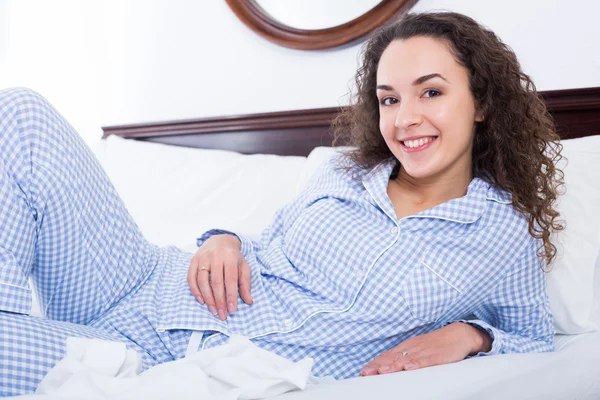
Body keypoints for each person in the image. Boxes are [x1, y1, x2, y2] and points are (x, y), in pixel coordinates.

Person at [0, 12, 563, 396]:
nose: (405, 117)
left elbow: (535, 335)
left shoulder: (501, 235)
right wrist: (222, 239)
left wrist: (474, 335)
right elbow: (262, 244)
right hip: (137, 278)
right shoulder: (341, 172)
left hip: (163, 358)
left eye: (431, 92)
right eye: (389, 98)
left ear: (482, 101)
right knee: (21, 112)